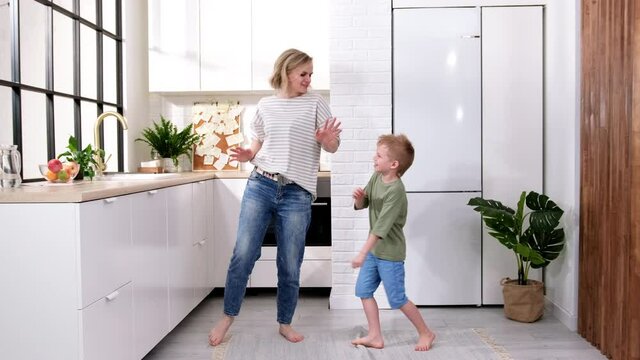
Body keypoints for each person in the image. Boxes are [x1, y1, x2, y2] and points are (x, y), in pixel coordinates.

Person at [208, 48, 341, 346]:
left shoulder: (317, 103)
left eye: (310, 74)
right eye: (303, 74)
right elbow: (257, 143)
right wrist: (247, 153)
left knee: (290, 262)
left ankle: (285, 322)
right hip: (261, 184)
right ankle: (227, 317)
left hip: (297, 193)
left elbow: (333, 146)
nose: (308, 79)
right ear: (286, 72)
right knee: (243, 254)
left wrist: (326, 140)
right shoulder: (266, 105)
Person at [350, 134, 436, 351]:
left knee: (397, 299)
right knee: (363, 291)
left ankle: (426, 332)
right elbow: (364, 203)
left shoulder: (396, 191)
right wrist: (360, 198)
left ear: (394, 164)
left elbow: (380, 228)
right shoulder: (376, 177)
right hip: (374, 252)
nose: (374, 158)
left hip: (390, 254)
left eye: (379, 155)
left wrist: (361, 253)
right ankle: (375, 336)